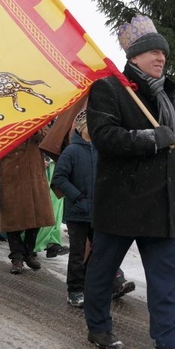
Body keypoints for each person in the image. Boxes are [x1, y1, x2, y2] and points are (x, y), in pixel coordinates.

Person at [84, 14, 175, 349]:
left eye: (163, 53)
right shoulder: (109, 89)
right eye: (152, 52)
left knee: (163, 281)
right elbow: (104, 138)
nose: (160, 58)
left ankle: (169, 346)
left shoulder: (173, 97)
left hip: (162, 205)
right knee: (103, 270)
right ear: (133, 57)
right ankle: (98, 327)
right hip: (122, 202)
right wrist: (150, 138)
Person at [51, 109, 135, 308]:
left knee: (100, 252)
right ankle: (74, 290)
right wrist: (78, 197)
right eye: (91, 124)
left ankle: (95, 285)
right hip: (78, 212)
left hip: (99, 211)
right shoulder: (71, 151)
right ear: (81, 128)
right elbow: (59, 178)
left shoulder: (102, 151)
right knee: (78, 254)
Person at [0, 130, 54, 274]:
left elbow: (48, 140)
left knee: (37, 219)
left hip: (34, 180)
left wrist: (37, 129)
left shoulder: (39, 120)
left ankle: (29, 253)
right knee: (13, 221)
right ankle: (17, 258)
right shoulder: (6, 124)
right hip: (12, 179)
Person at [34, 155, 69, 258]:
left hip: (56, 168)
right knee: (46, 209)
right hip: (44, 170)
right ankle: (33, 243)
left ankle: (52, 242)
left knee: (56, 208)